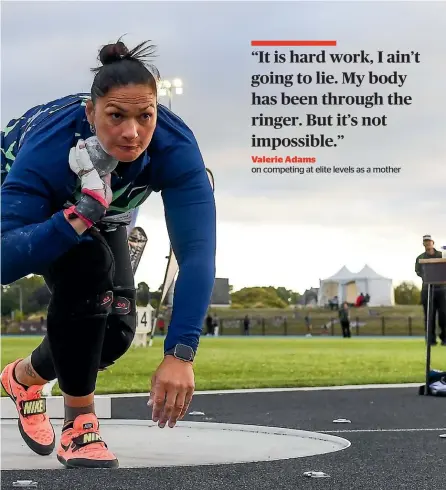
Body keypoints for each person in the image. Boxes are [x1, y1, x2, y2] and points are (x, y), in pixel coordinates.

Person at [0, 38, 216, 469]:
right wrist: (80, 214)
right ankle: (80, 425)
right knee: (87, 266)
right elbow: (6, 259)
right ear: (90, 113)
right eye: (116, 116)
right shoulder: (49, 148)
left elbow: (197, 254)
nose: (132, 132)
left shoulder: (176, 149)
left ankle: (26, 378)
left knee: (113, 335)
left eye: (145, 116)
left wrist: (180, 353)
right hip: (38, 207)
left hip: (105, 209)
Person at [415, 235, 446, 346]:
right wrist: (428, 276)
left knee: (443, 315)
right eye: (425, 242)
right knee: (429, 316)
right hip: (427, 289)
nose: (427, 243)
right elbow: (418, 271)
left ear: (433, 242)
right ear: (423, 244)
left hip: (442, 289)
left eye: (429, 241)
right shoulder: (420, 257)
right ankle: (431, 340)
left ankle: (444, 338)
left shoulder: (441, 255)